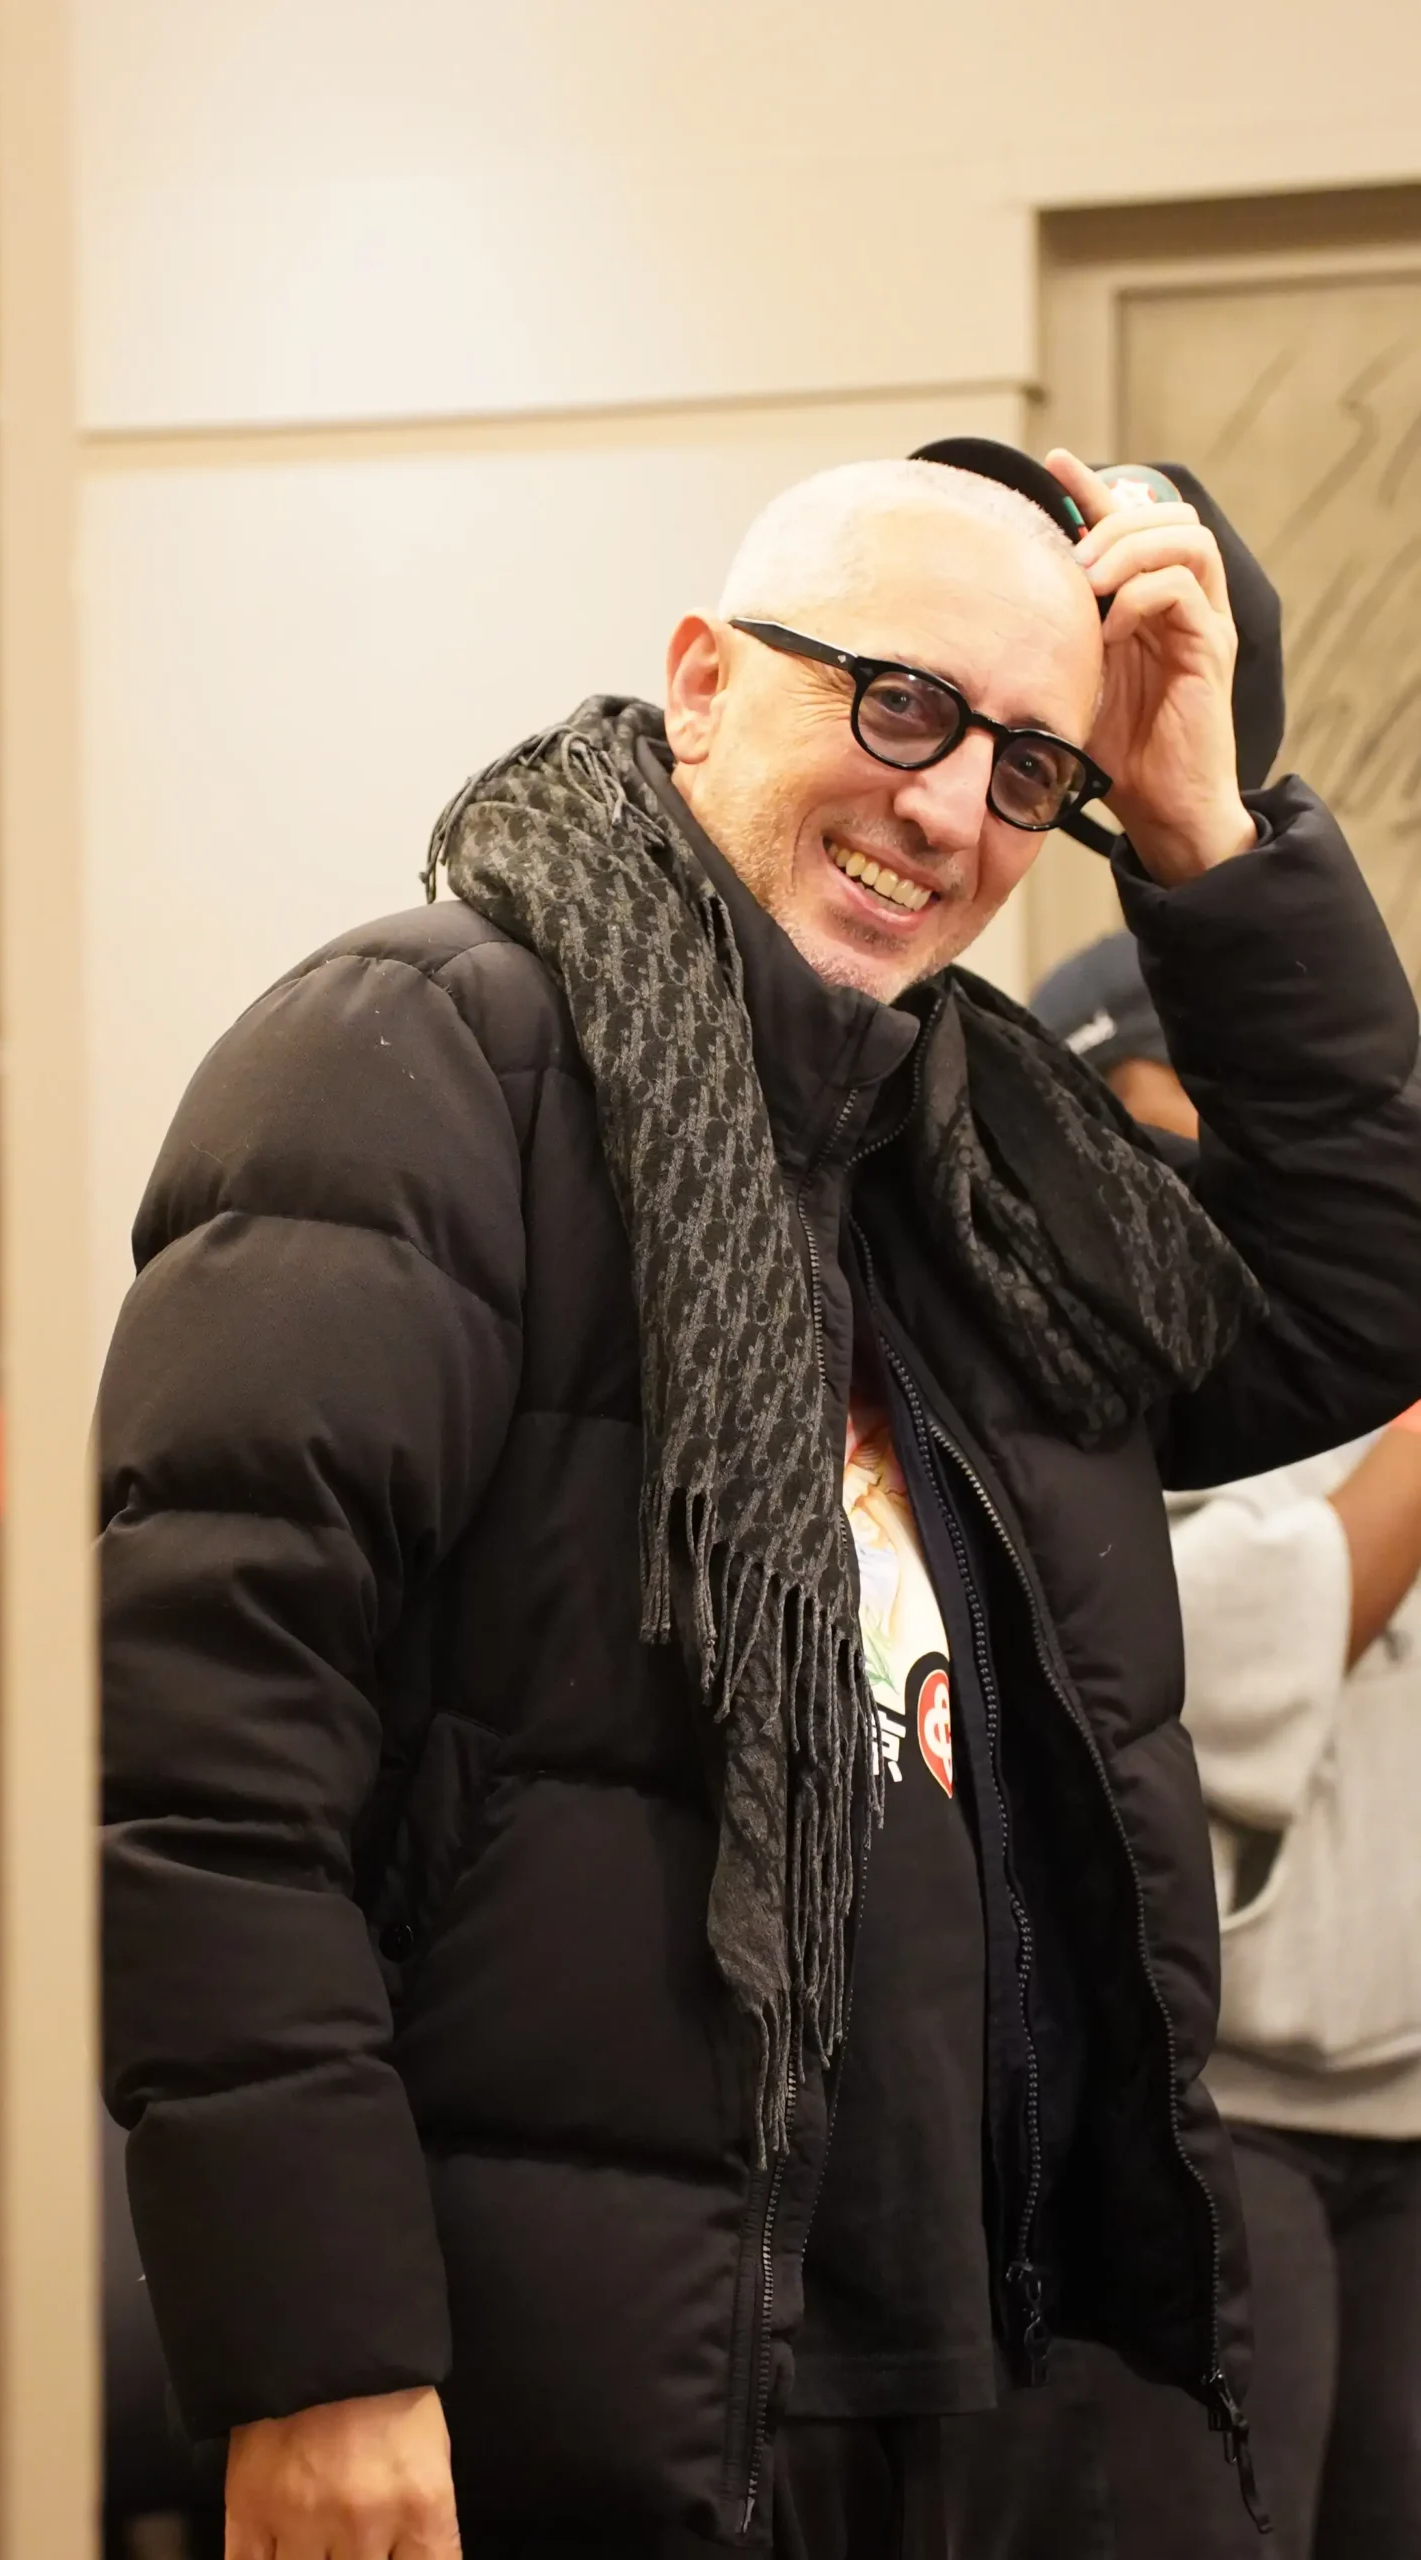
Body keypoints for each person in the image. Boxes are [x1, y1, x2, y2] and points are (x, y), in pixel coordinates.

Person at [98, 439, 1421, 2560]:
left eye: (1028, 768)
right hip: (603, 2384)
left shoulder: (987, 1159)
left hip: (1014, 2372)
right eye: (898, 705)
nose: (947, 809)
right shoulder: (418, 1064)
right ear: (703, 677)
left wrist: (1199, 827)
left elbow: (1360, 1293)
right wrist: (319, 2349)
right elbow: (201, 1764)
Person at [947, 936, 1421, 2560]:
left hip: (1402, 2102)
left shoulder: (1351, 1324)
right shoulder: (1062, 1343)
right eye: (1170, 1120)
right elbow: (1211, 1629)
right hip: (1202, 2111)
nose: (1212, 1169)